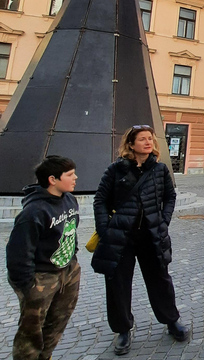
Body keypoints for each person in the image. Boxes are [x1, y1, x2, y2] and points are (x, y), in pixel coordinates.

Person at [91, 125, 189, 356]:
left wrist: (164, 220)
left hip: (151, 235)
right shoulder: (115, 170)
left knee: (160, 280)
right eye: (142, 139)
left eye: (150, 139)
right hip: (121, 236)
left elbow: (169, 196)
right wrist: (105, 229)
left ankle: (171, 320)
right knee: (118, 284)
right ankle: (123, 329)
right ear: (131, 144)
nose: (148, 143)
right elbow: (100, 201)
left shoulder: (160, 169)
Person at [6, 155, 81, 360]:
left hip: (67, 271)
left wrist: (72, 263)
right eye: (69, 175)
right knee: (31, 331)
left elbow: (71, 230)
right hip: (41, 277)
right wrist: (29, 287)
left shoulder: (69, 199)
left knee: (57, 322)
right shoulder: (33, 212)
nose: (76, 178)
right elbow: (18, 253)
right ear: (52, 180)